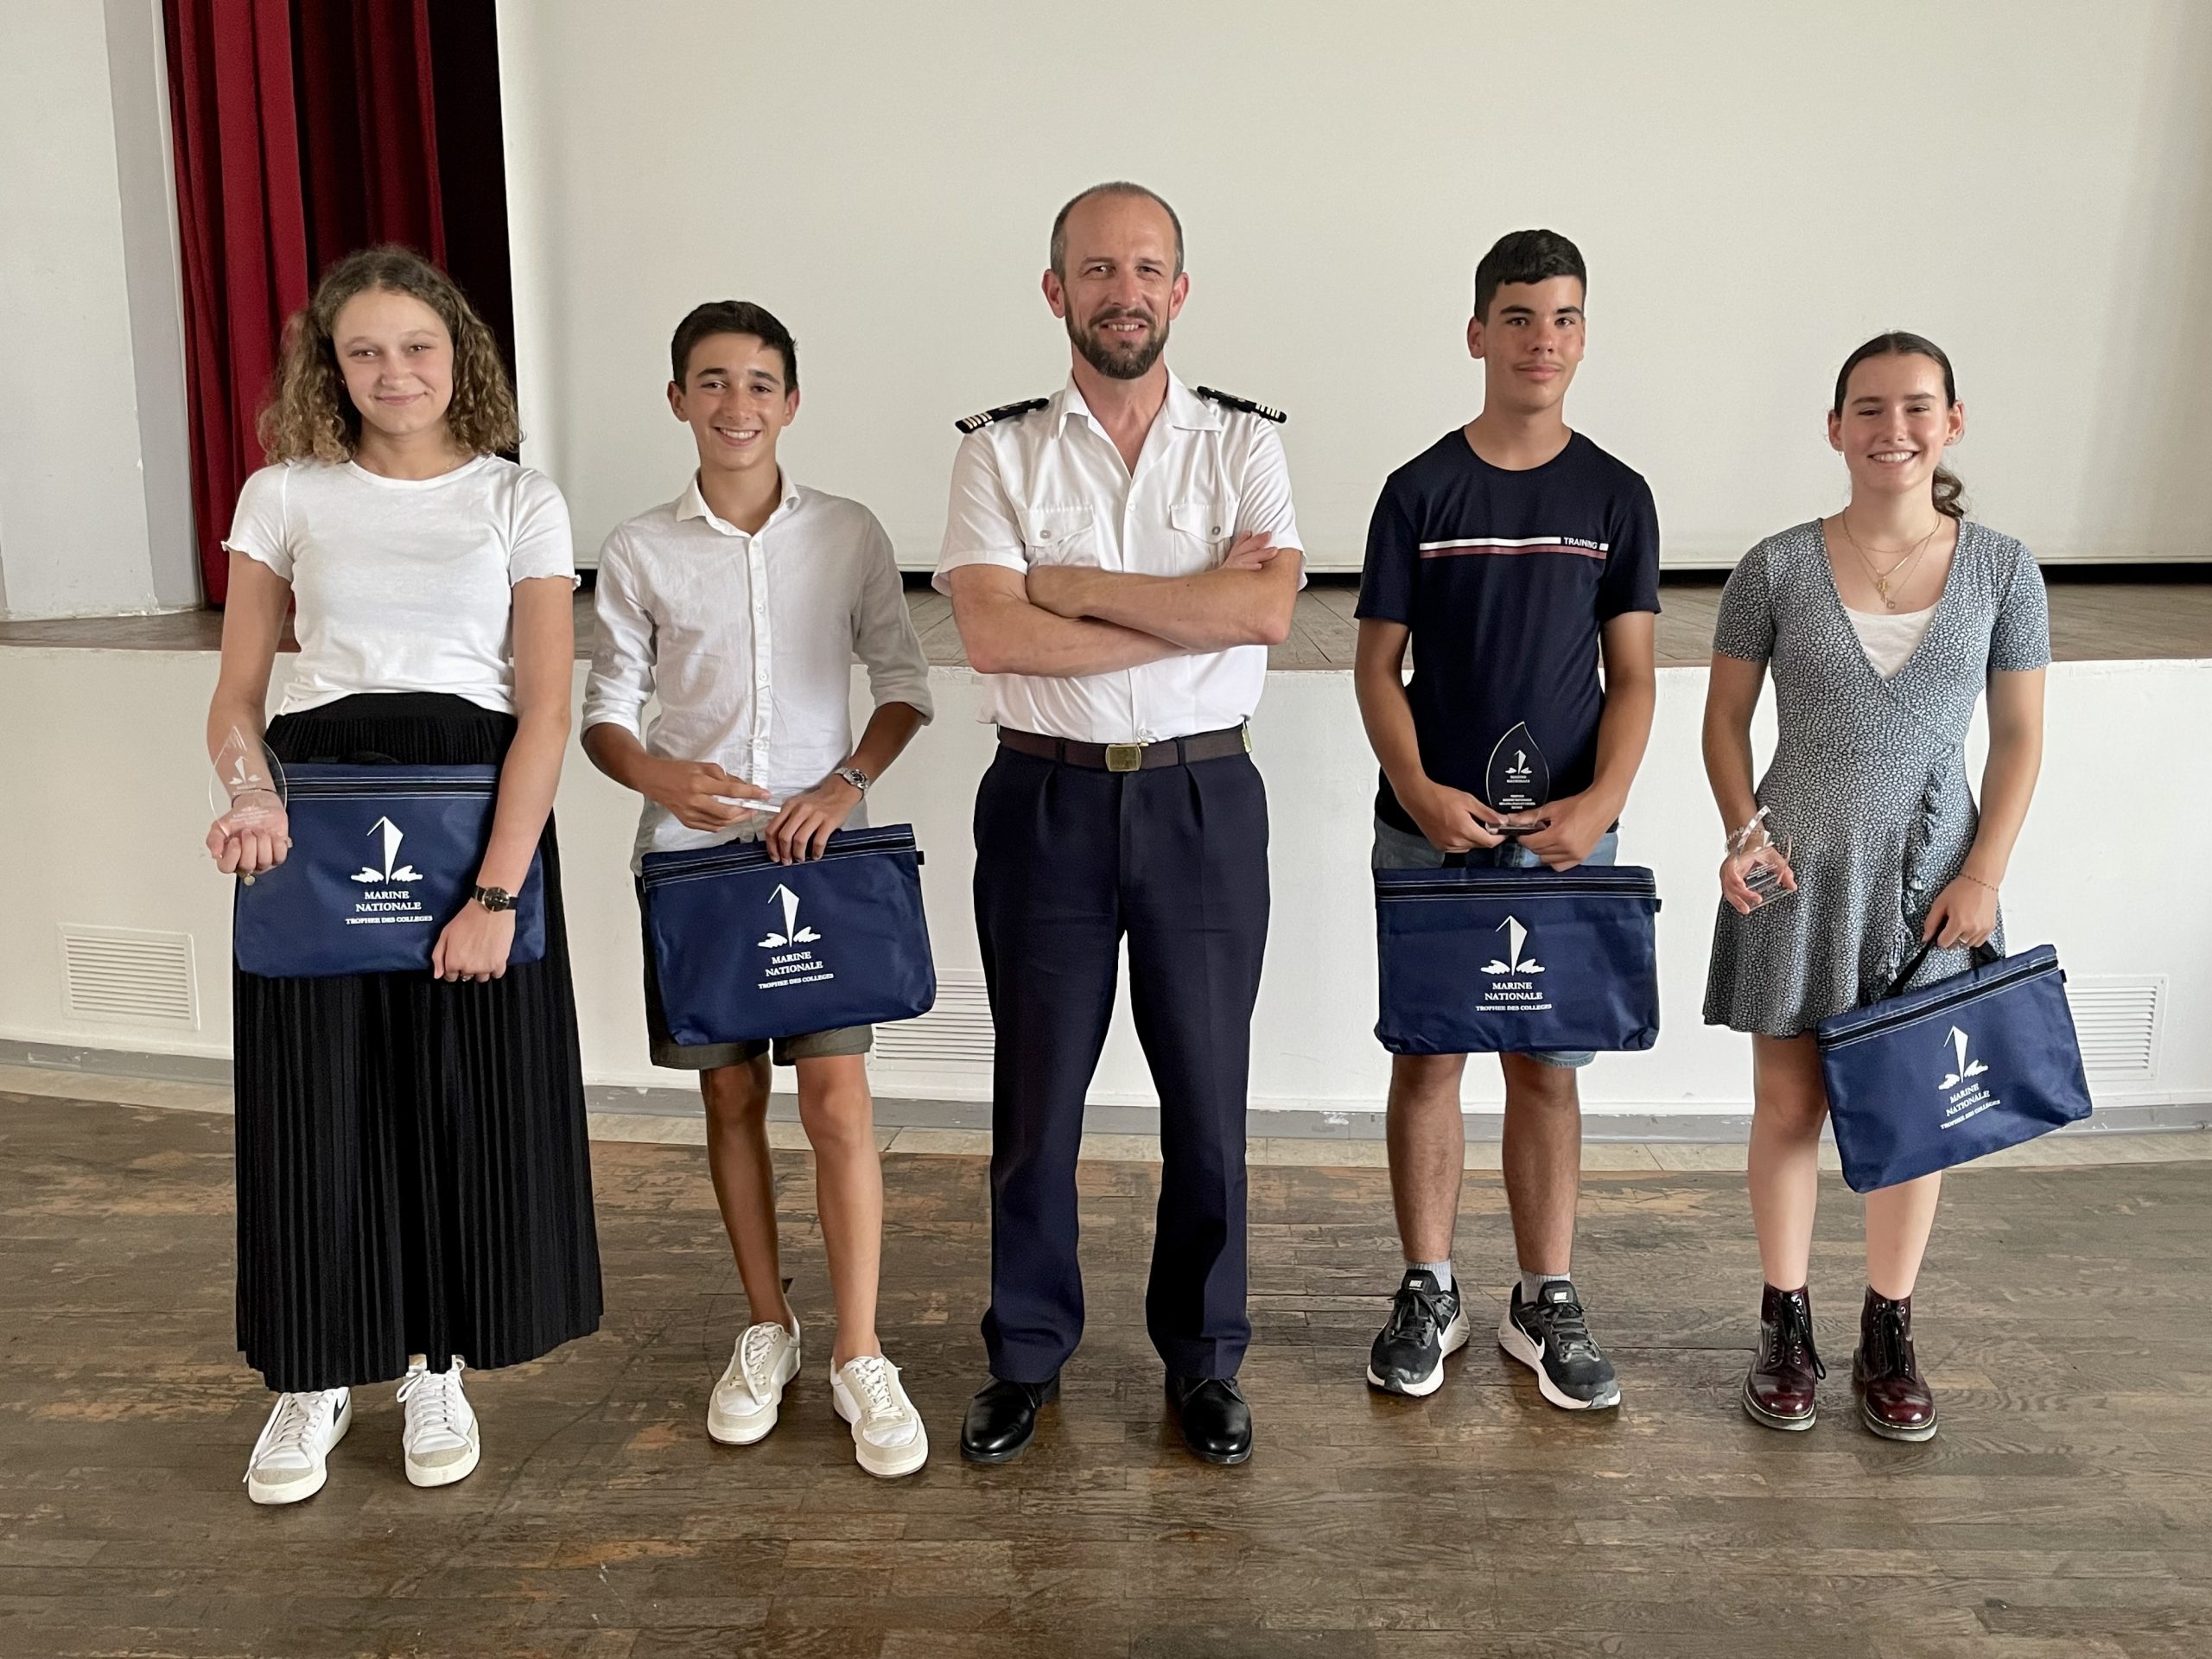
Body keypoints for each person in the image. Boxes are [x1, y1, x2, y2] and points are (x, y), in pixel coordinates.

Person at [205, 245, 601, 1505]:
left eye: (417, 346)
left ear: (458, 355)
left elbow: (542, 713)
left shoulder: (518, 500)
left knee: (456, 1103)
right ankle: (313, 1379)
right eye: (365, 350)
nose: (395, 371)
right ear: (331, 366)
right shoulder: (282, 493)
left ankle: (438, 1363)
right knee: (314, 1106)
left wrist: (496, 892)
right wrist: (251, 796)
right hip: (314, 814)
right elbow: (236, 699)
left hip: (470, 812)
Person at [936, 181, 1302, 1466]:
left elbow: (1263, 617)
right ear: (1057, 292)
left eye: (1148, 268)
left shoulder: (1244, 442)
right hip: (1046, 796)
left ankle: (1204, 1360)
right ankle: (1026, 1357)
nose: (1124, 289)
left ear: (1180, 291)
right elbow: (991, 631)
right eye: (1097, 269)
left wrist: (1080, 589)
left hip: (1205, 798)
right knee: (1038, 1100)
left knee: (1208, 1095)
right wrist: (1184, 602)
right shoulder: (998, 451)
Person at [581, 301, 934, 1478]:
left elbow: (901, 680)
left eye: (761, 383)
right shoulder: (636, 548)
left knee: (837, 1101)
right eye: (713, 382)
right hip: (696, 865)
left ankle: (860, 1352)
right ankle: (768, 1328)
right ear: (678, 400)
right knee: (729, 1103)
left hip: (823, 858)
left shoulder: (849, 533)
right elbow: (604, 715)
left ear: (792, 401)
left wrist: (844, 781)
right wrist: (655, 772)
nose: (738, 404)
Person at [1702, 331, 2049, 1441]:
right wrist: (1740, 830)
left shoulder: (2004, 569)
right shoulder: (1774, 565)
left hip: (1934, 883)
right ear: (1835, 428)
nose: (1890, 429)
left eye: (1914, 409)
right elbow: (1721, 722)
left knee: (1915, 1113)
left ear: (1950, 424)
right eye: (1867, 409)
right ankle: (1784, 1323)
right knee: (1791, 1105)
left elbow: (2018, 738)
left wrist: (1985, 873)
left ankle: (1889, 1328)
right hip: (1796, 871)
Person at [1353, 229, 1659, 1409]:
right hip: (1428, 830)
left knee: (1547, 1067)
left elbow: (1633, 678)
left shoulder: (1615, 497)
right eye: (1521, 317)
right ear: (1479, 333)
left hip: (1571, 840)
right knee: (1429, 1064)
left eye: (1566, 318)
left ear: (1585, 336)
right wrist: (1423, 793)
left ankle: (1544, 1298)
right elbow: (1378, 671)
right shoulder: (1418, 491)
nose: (1544, 340)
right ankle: (1429, 1288)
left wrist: (1601, 807)